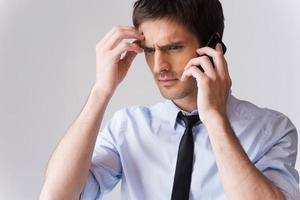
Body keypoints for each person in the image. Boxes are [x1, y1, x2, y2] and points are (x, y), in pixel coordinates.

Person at [40, 0, 300, 199]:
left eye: (173, 48)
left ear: (214, 45)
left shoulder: (272, 130)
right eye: (149, 51)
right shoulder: (128, 127)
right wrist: (101, 91)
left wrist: (214, 119)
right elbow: (56, 196)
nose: (158, 66)